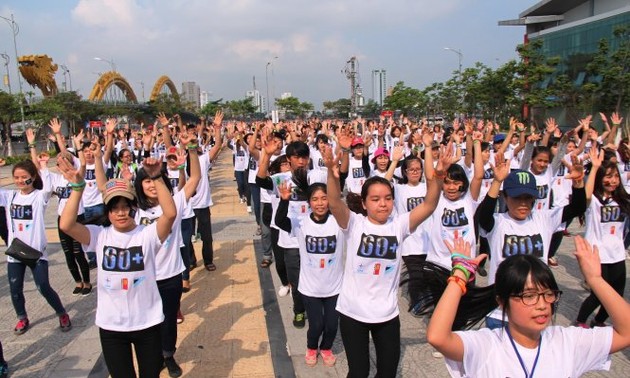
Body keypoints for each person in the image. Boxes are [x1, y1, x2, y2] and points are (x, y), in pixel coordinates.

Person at [325, 130, 446, 378]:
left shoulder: (399, 225)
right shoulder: (355, 224)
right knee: (358, 372)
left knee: (387, 372)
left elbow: (430, 204)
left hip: (387, 313)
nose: (383, 204)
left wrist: (438, 178)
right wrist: (330, 170)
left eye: (388, 198)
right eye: (376, 199)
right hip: (352, 312)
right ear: (365, 202)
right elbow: (335, 203)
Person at [424, 236, 630, 377]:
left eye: (548, 294)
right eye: (529, 296)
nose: (542, 305)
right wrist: (460, 275)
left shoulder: (568, 342)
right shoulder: (487, 344)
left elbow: (626, 332)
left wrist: (595, 279)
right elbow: (438, 337)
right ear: (502, 301)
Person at [58, 156, 176, 378]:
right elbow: (66, 225)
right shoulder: (98, 236)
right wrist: (77, 188)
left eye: (125, 207)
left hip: (148, 323)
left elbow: (170, 214)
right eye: (114, 208)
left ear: (133, 208)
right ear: (108, 212)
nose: (121, 213)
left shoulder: (147, 234)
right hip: (112, 327)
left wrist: (156, 176)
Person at [133, 131, 200, 377]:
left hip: (170, 275)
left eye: (156, 179)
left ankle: (168, 355)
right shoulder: (130, 209)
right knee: (147, 322)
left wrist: (191, 148)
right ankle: (152, 358)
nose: (151, 185)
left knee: (169, 320)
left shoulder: (174, 203)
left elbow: (195, 179)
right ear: (140, 185)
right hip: (142, 276)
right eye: (147, 181)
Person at [0, 136, 72, 335]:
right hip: (15, 253)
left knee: (43, 287)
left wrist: (33, 148)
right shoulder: (10, 196)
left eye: (24, 177)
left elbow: (43, 176)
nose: (20, 181)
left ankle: (61, 312)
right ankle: (22, 317)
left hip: (37, 254)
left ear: (32, 176)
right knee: (15, 289)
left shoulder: (40, 197)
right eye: (16, 177)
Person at [275, 173, 344, 367]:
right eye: (315, 199)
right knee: (316, 324)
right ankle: (312, 347)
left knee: (331, 325)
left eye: (324, 198)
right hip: (310, 287)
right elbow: (280, 222)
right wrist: (284, 201)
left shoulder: (339, 222)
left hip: (334, 287)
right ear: (309, 202)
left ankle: (326, 348)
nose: (320, 203)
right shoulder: (302, 223)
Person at [575, 149, 630, 328]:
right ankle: (580, 321)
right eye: (607, 176)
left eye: (615, 176)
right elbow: (586, 194)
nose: (612, 181)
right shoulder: (595, 201)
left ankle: (598, 321)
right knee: (598, 294)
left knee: (616, 294)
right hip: (597, 254)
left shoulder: (622, 199)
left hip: (617, 253)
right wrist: (595, 168)